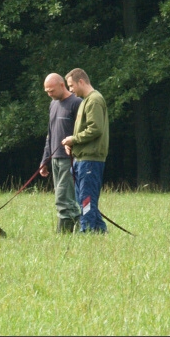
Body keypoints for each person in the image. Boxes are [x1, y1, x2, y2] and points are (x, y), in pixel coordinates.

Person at [61, 68, 109, 234]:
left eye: (71, 85)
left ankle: (86, 231)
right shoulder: (85, 101)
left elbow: (95, 129)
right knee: (82, 199)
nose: (71, 90)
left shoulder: (94, 100)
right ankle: (100, 231)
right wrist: (72, 144)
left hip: (91, 159)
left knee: (86, 199)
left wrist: (73, 139)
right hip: (81, 158)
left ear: (81, 81)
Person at [39, 73, 82, 233]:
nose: (49, 94)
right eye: (47, 91)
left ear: (62, 85)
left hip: (70, 159)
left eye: (51, 90)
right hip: (55, 159)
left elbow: (83, 132)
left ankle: (69, 232)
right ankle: (74, 231)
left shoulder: (76, 103)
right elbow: (50, 135)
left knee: (63, 198)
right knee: (62, 197)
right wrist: (45, 160)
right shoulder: (53, 104)